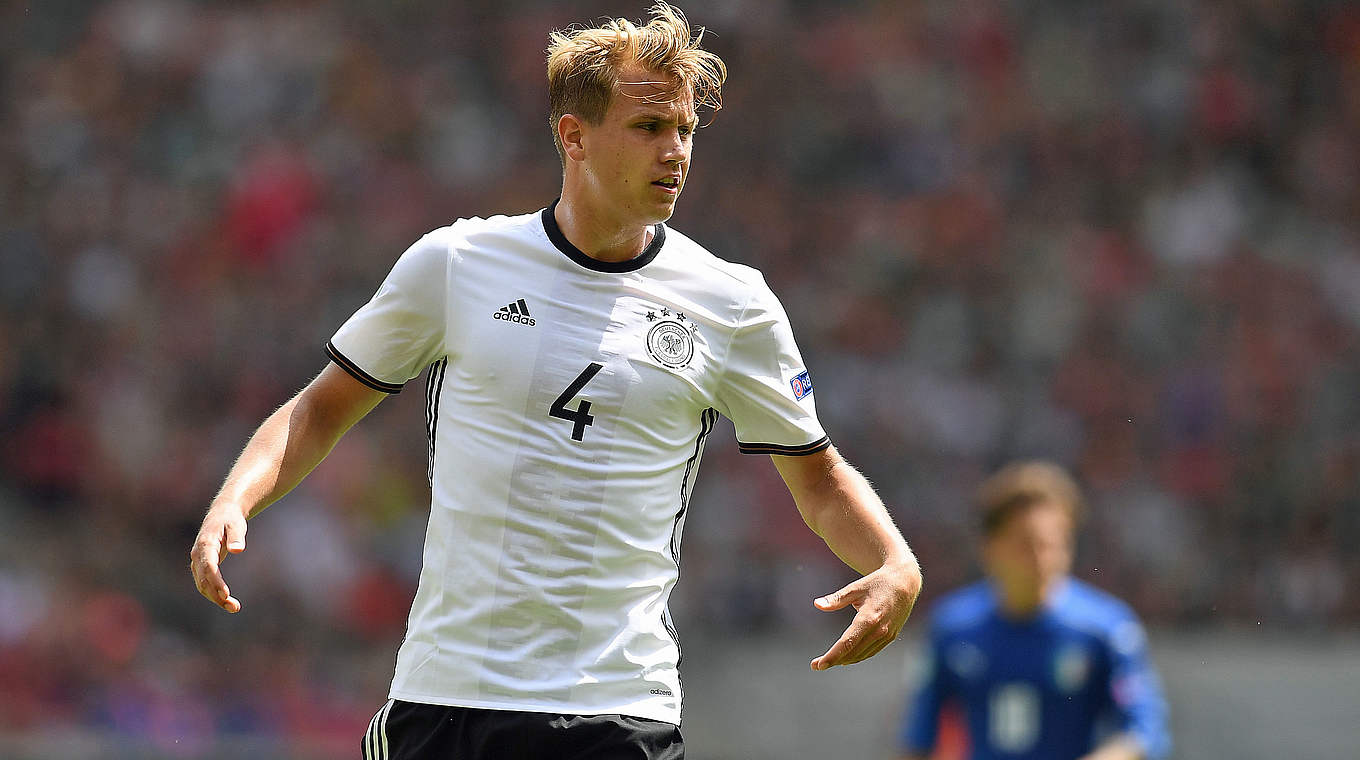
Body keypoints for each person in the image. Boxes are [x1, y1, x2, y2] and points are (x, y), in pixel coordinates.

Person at [188, 4, 922, 758]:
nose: (675, 152)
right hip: (449, 702)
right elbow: (321, 409)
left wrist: (895, 562)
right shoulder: (457, 264)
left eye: (685, 130)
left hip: (616, 709)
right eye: (648, 128)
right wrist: (234, 500)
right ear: (573, 135)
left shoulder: (731, 304)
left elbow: (821, 481)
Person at [897, 462, 1170, 760]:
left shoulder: (1106, 629)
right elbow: (918, 738)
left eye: (1053, 545)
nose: (1041, 559)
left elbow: (1146, 732)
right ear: (989, 547)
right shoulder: (954, 628)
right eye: (1026, 545)